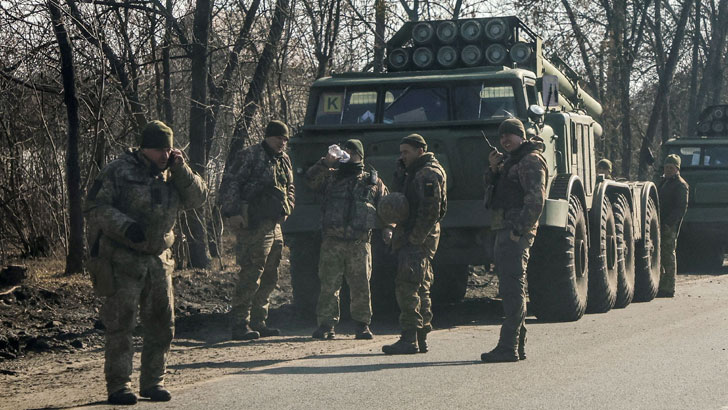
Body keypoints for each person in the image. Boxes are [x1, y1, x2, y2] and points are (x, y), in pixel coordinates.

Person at [84, 120, 208, 404]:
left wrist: (182, 170)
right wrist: (125, 226)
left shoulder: (174, 174)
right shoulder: (119, 170)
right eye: (158, 150)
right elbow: (95, 206)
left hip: (158, 259)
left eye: (168, 149)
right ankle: (119, 386)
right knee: (121, 324)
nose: (164, 155)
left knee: (163, 323)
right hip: (121, 258)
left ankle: (153, 381)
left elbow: (199, 198)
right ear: (144, 149)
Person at [218, 120, 295, 340]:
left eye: (285, 139)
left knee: (271, 274)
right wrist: (232, 213)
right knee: (252, 273)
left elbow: (290, 187)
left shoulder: (284, 160)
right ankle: (240, 323)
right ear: (268, 137)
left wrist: (288, 207)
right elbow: (231, 183)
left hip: (274, 224)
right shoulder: (249, 156)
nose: (282, 142)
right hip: (253, 223)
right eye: (279, 138)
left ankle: (259, 321)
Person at [305, 139, 388, 340]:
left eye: (352, 152)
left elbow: (386, 206)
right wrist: (326, 162)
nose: (348, 155)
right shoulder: (330, 177)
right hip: (332, 242)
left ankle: (362, 325)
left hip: (359, 243)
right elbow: (309, 180)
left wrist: (389, 228)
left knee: (361, 285)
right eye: (346, 151)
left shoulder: (373, 181)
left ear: (360, 155)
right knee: (329, 285)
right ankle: (326, 325)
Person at [480, 118, 547, 363]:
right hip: (505, 229)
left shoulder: (530, 161)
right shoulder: (511, 161)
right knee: (511, 288)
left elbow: (535, 200)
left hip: (514, 231)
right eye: (502, 137)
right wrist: (494, 170)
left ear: (521, 136)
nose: (505, 141)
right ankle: (516, 345)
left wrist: (518, 230)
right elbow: (492, 193)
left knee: (511, 289)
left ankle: (508, 346)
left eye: (510, 136)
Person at [382, 134, 447, 355]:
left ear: (420, 150)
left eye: (406, 152)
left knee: (407, 286)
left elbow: (431, 211)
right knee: (421, 286)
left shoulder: (428, 173)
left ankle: (410, 337)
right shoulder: (414, 171)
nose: (402, 156)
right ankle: (420, 337)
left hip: (418, 237)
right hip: (415, 235)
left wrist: (414, 239)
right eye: (401, 152)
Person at [657, 154, 689, 297]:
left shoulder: (681, 185)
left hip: (669, 226)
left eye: (671, 167)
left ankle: (669, 287)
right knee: (659, 255)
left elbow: (680, 208)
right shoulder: (663, 182)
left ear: (677, 169)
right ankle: (661, 284)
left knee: (668, 255)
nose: (668, 170)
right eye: (666, 167)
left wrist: (669, 224)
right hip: (659, 223)